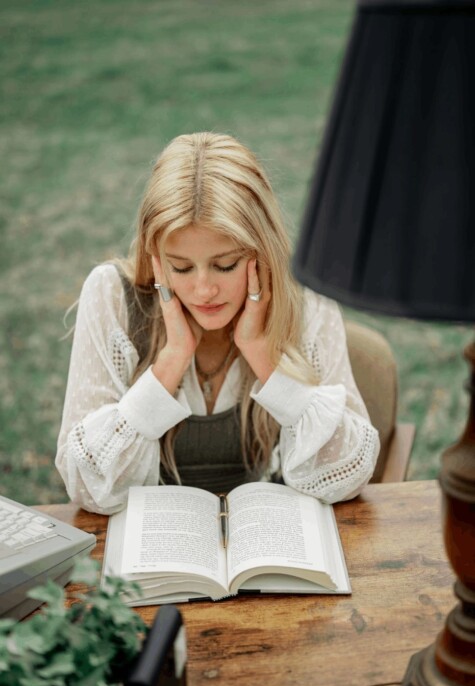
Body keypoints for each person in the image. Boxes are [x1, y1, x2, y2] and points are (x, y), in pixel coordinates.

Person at [56, 132, 380, 514]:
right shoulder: (111, 294)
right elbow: (87, 486)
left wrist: (264, 357)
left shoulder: (307, 298)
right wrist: (170, 363)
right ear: (154, 254)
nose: (203, 289)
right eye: (181, 267)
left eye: (224, 265)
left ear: (262, 250)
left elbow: (349, 474)